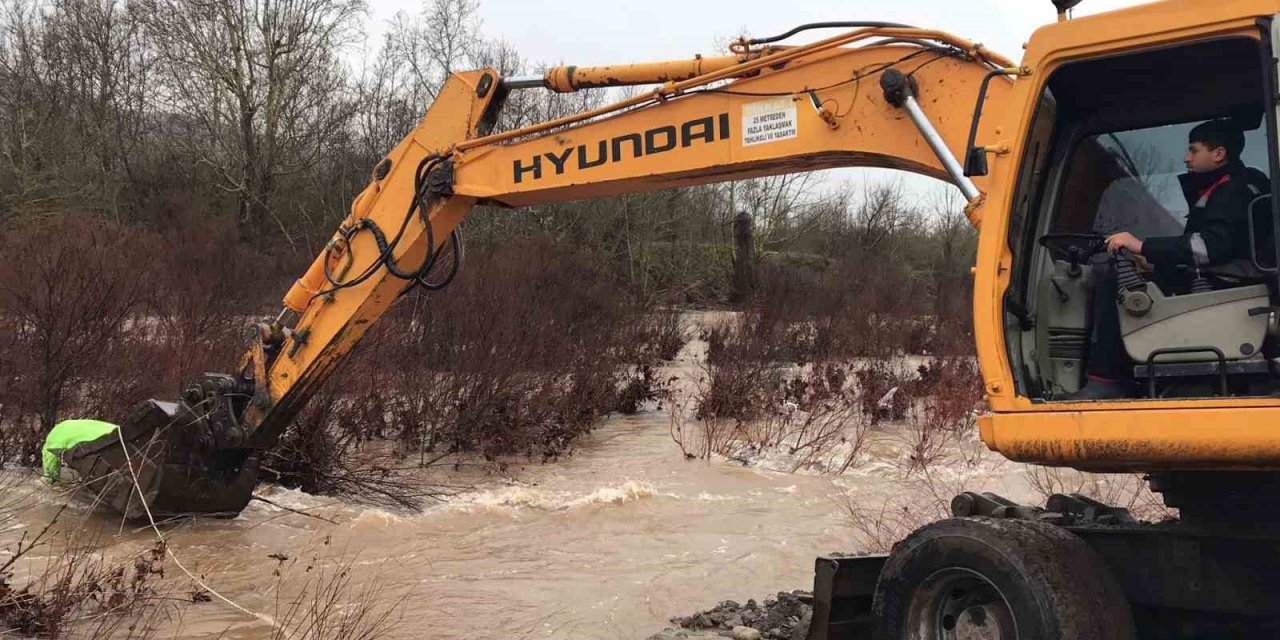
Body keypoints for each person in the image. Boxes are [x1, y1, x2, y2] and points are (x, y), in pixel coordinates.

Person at [1066, 119, 1267, 400]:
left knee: (1114, 285)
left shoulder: (1231, 190)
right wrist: (1153, 262)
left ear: (1219, 154)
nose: (1186, 157)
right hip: (1229, 275)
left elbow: (1209, 247)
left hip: (1228, 281)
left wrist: (1141, 245)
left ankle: (1105, 378)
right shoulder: (1235, 186)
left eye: (1193, 150)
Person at [42, 419, 118, 483]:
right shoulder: (66, 426)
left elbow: (50, 462)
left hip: (103, 438)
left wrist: (50, 479)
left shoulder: (53, 441)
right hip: (115, 433)